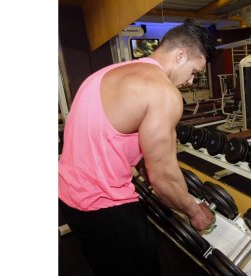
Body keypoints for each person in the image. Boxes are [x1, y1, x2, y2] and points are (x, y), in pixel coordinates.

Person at [58, 18, 216, 276]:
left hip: (68, 199)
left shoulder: (103, 74)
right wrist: (193, 210)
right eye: (195, 72)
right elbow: (163, 177)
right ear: (180, 55)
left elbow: (118, 141)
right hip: (105, 206)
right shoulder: (163, 92)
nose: (190, 82)